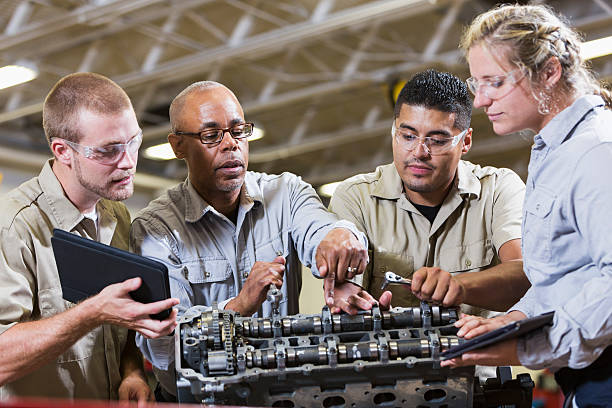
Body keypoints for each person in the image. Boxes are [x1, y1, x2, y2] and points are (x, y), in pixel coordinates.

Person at [130, 80, 369, 400]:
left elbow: (321, 229)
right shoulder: (155, 229)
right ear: (178, 146)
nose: (231, 145)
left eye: (238, 131)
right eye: (211, 135)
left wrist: (339, 244)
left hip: (281, 395)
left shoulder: (286, 193)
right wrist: (237, 308)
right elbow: (162, 349)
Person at [441, 4, 612, 407]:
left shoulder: (596, 153)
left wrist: (526, 350)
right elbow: (562, 275)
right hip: (586, 379)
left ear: (550, 72)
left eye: (494, 83)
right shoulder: (553, 151)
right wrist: (512, 321)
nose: (480, 100)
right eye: (476, 83)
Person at [0, 73, 179, 401]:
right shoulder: (12, 226)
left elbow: (118, 330)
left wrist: (132, 372)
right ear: (63, 151)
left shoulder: (117, 215)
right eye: (108, 150)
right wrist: (91, 312)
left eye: (133, 142)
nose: (127, 162)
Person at [328, 69, 530, 316]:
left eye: (437, 140)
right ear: (394, 132)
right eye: (408, 136)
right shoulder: (355, 198)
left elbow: (524, 273)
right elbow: (346, 290)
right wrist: (349, 300)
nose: (419, 152)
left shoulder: (498, 190)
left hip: (480, 352)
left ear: (465, 141)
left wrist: (459, 286)